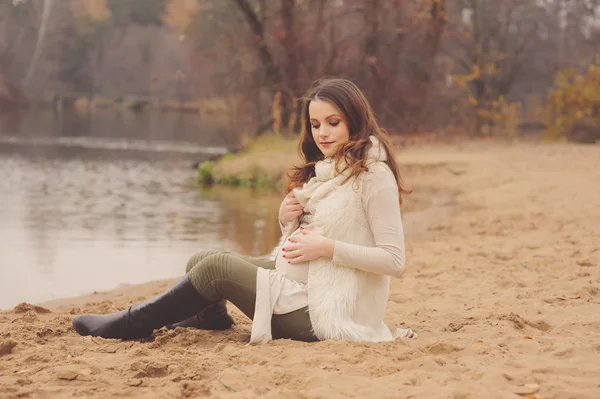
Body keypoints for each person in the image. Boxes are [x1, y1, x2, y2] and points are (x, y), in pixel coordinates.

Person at [72, 78, 417, 344]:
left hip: (326, 311)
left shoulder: (374, 176)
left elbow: (393, 260)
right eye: (315, 124)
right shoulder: (332, 169)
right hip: (305, 283)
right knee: (201, 260)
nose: (322, 133)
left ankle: (130, 324)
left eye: (332, 122)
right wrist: (288, 220)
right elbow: (320, 234)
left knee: (214, 269)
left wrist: (326, 249)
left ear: (354, 122)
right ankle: (211, 318)